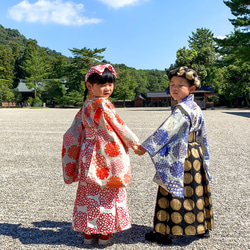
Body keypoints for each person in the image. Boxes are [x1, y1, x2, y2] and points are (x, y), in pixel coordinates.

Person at [134, 66, 214, 245]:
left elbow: (165, 131)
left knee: (171, 189)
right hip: (195, 154)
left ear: (192, 89)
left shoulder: (182, 110)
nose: (175, 88)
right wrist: (204, 155)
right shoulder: (195, 107)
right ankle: (200, 227)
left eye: (180, 85)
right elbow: (203, 134)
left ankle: (164, 231)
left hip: (181, 155)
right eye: (172, 84)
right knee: (195, 189)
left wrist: (145, 147)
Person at [62, 64, 139, 246]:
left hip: (88, 151)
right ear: (90, 86)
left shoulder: (86, 104)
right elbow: (119, 126)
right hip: (105, 153)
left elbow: (74, 131)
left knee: (89, 191)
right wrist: (134, 143)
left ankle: (89, 233)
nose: (107, 89)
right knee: (107, 190)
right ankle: (105, 234)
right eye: (102, 85)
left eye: (110, 84)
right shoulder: (103, 104)